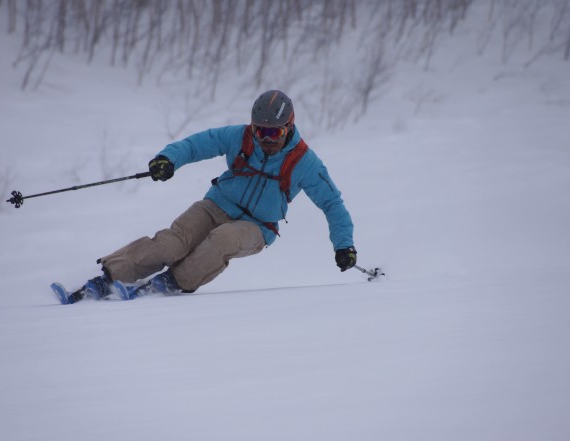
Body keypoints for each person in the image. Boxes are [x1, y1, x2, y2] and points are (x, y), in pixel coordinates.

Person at [65, 90, 357, 302]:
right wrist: (168, 159)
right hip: (216, 205)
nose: (266, 139)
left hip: (257, 227)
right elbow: (197, 145)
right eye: (260, 131)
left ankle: (172, 282)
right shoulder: (239, 137)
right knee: (171, 244)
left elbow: (332, 204)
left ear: (289, 127)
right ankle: (109, 277)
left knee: (223, 239)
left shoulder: (305, 162)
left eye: (274, 133)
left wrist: (344, 246)